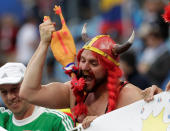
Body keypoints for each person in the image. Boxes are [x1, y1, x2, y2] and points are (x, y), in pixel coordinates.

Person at [19, 6, 163, 129]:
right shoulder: (73, 92)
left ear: (109, 69)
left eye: (93, 63)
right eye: (82, 60)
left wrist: (160, 98)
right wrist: (44, 43)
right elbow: (28, 93)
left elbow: (159, 123)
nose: (84, 67)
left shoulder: (128, 95)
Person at [0, 62, 74, 131]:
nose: (10, 97)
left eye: (15, 89)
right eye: (4, 92)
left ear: (28, 86)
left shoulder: (57, 120)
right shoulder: (2, 118)